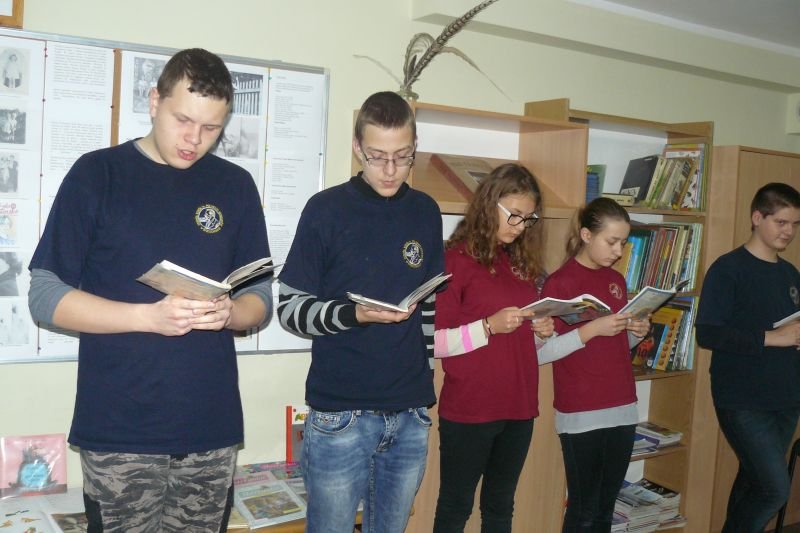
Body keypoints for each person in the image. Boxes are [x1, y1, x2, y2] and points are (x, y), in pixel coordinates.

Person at [27, 48, 272, 532]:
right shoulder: (98, 174)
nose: (194, 139)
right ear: (155, 100)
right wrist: (148, 318)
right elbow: (45, 295)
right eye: (184, 120)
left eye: (211, 128)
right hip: (120, 432)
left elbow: (260, 297)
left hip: (211, 428)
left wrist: (230, 314)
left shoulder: (236, 186)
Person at [277, 90, 444, 533]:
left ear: (414, 148)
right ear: (357, 147)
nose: (390, 170)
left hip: (410, 412)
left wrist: (424, 386)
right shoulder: (325, 210)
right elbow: (290, 310)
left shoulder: (426, 212)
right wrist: (355, 315)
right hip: (341, 414)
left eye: (402, 157)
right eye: (377, 157)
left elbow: (428, 309)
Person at [431, 163, 555, 532]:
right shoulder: (454, 260)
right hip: (470, 408)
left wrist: (540, 331)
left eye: (528, 219)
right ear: (489, 205)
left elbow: (518, 339)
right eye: (513, 215)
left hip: (519, 405)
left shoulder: (522, 263)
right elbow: (435, 342)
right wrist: (487, 326)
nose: (519, 226)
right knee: (455, 508)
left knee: (500, 508)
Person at [539, 197, 650, 532]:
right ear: (586, 235)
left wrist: (634, 333)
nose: (618, 251)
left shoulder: (616, 281)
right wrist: (591, 330)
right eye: (611, 241)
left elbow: (614, 348)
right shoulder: (560, 283)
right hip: (581, 412)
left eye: (623, 243)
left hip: (622, 406)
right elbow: (542, 353)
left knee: (605, 510)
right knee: (584, 511)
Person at [696, 182, 800, 533]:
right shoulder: (728, 269)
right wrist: (771, 338)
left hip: (786, 398)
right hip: (742, 400)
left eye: (795, 224)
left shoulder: (790, 274)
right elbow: (708, 333)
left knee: (754, 482)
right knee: (774, 489)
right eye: (781, 222)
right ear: (757, 217)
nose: (789, 231)